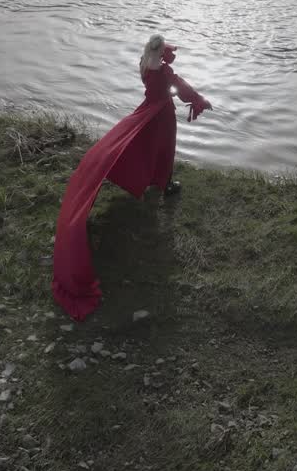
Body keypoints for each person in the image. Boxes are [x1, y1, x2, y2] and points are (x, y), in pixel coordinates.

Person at [51, 34, 213, 320]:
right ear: (162, 53)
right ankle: (165, 184)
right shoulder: (163, 70)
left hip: (149, 110)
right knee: (164, 151)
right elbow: (181, 87)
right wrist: (198, 99)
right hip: (162, 114)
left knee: (145, 148)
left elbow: (166, 80)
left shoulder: (145, 66)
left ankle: (156, 181)